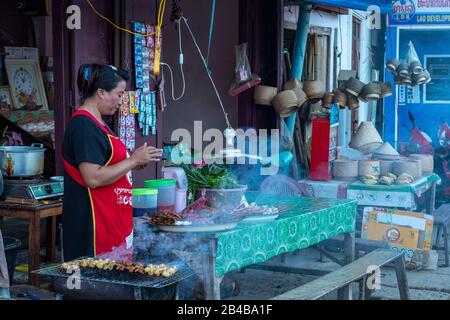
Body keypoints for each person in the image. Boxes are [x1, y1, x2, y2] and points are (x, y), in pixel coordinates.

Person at [62, 64, 162, 261]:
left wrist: (133, 162)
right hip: (95, 224)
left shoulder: (99, 123)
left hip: (112, 218)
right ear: (100, 92)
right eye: (119, 94)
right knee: (99, 282)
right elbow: (93, 177)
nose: (121, 100)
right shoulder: (83, 124)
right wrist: (132, 161)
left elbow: (108, 165)